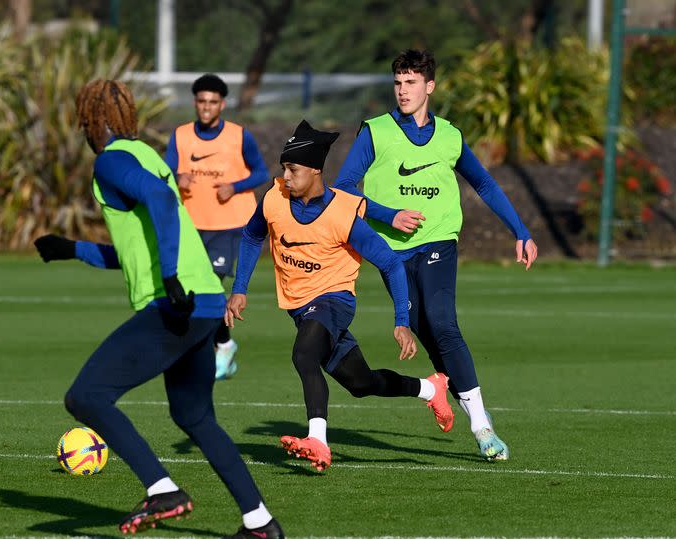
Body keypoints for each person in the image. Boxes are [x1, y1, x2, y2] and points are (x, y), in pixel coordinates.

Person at [33, 79, 283, 539]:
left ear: (93, 119)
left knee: (86, 396)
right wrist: (72, 249)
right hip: (205, 302)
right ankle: (261, 523)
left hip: (178, 303)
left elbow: (165, 203)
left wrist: (170, 278)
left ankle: (163, 489)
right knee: (193, 417)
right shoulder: (148, 155)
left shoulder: (111, 160)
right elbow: (137, 249)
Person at [334, 49, 539, 461]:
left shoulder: (449, 135)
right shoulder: (374, 132)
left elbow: (484, 184)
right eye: (398, 82)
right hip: (390, 251)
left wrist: (520, 231)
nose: (403, 90)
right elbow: (344, 188)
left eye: (411, 82)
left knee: (444, 324)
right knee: (424, 331)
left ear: (430, 86)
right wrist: (389, 214)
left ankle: (481, 426)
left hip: (439, 241)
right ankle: (442, 388)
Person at [224, 120, 454, 472]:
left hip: (335, 299)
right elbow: (253, 235)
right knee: (361, 383)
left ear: (315, 171)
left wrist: (402, 322)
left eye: (293, 169)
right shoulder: (273, 199)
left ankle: (318, 441)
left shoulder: (342, 215)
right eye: (284, 168)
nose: (285, 176)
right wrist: (239, 289)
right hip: (301, 308)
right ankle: (430, 389)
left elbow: (391, 264)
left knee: (304, 355)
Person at [164, 73, 270, 381]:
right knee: (193, 290)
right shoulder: (181, 135)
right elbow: (167, 170)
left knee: (211, 286)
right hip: (192, 226)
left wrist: (235, 186)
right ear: (195, 103)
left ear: (222, 104)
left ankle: (222, 345)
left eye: (213, 102)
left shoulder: (239, 135)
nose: (207, 107)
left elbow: (261, 172)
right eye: (201, 101)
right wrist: (177, 177)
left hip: (230, 225)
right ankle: (221, 343)